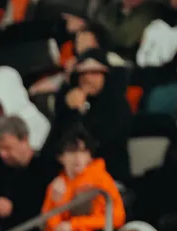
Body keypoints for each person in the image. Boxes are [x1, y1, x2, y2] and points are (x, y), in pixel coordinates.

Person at [40, 127, 126, 231]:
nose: (78, 158)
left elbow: (118, 218)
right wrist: (56, 202)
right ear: (61, 157)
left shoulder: (100, 179)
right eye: (71, 152)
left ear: (89, 156)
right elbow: (47, 227)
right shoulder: (57, 185)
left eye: (83, 151)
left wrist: (74, 225)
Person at [51, 50, 132, 182]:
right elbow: (57, 141)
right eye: (83, 74)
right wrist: (70, 111)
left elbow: (101, 143)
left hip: (109, 175)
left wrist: (80, 113)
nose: (88, 79)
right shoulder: (68, 103)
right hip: (68, 175)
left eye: (94, 73)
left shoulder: (117, 105)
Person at [0, 116, 61, 231]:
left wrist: (13, 210)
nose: (3, 154)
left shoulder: (45, 168)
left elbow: (45, 209)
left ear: (24, 140)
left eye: (8, 148)